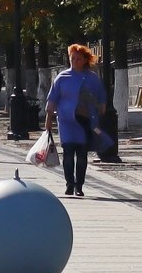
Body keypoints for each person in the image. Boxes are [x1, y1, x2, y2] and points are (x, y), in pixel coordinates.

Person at [44, 44, 107, 198]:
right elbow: (52, 99)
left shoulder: (93, 79)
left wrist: (101, 109)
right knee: (67, 153)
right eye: (72, 58)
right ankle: (69, 184)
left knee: (81, 155)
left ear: (85, 60)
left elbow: (101, 97)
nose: (75, 61)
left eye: (78, 59)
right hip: (66, 122)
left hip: (84, 122)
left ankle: (79, 185)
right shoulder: (62, 77)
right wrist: (48, 120)